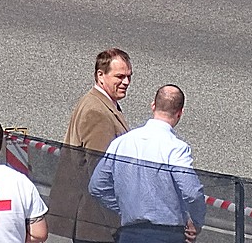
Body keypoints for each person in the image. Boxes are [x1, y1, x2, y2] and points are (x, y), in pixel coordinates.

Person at [88, 85, 206, 243]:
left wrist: (124, 208)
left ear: (153, 106)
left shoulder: (121, 142)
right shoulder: (176, 148)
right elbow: (192, 192)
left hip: (129, 233)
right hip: (167, 234)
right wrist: (196, 222)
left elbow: (97, 186)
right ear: (180, 113)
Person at [48, 48, 132, 243]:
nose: (126, 82)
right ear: (100, 75)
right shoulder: (98, 113)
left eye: (129, 76)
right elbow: (101, 172)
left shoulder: (99, 103)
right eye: (120, 76)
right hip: (93, 220)